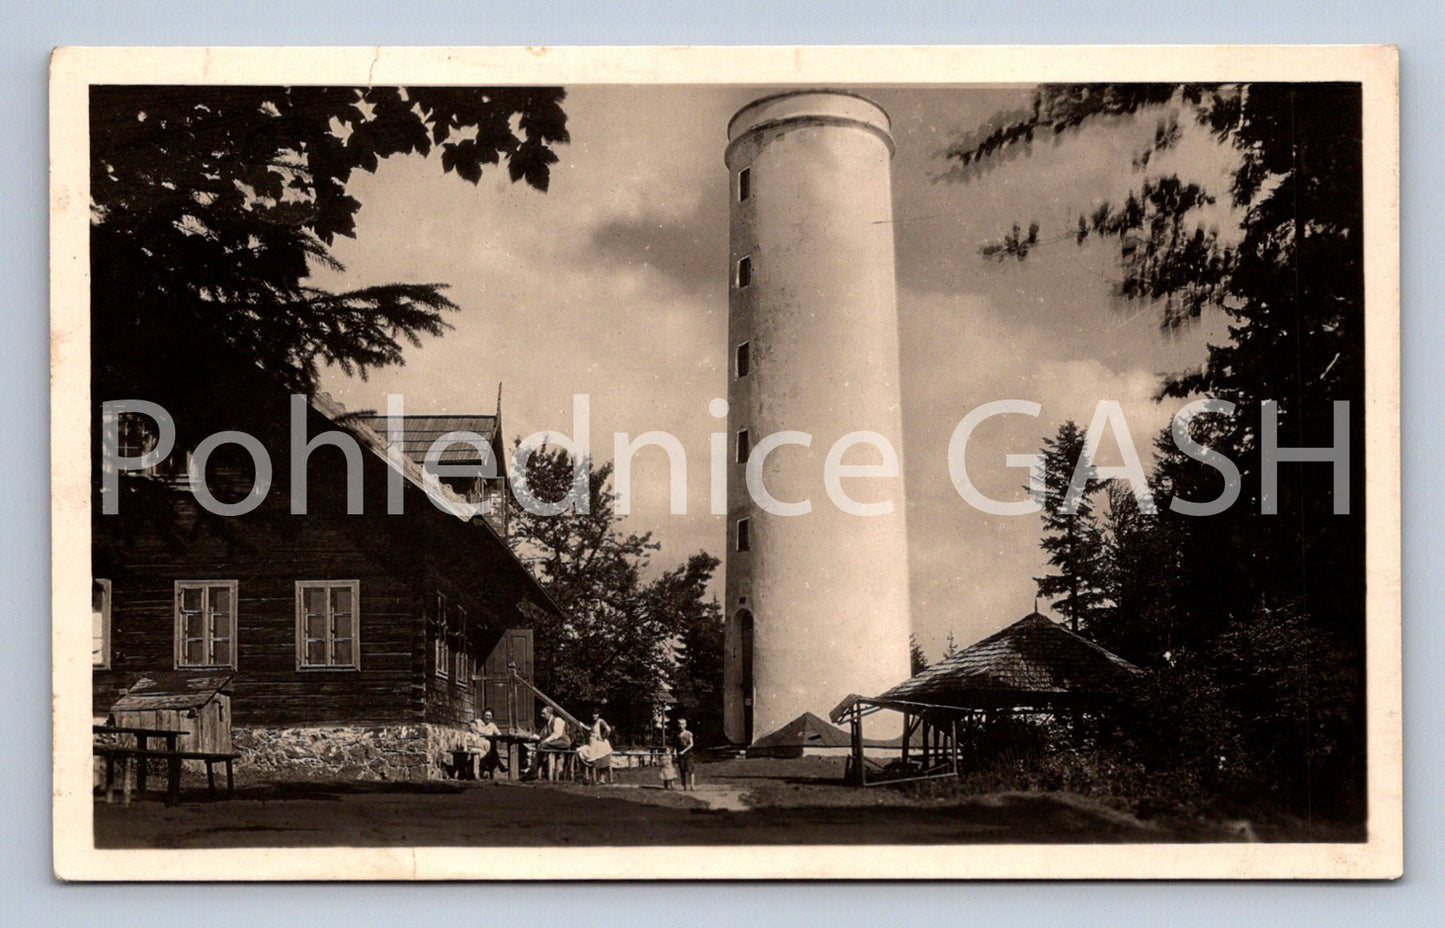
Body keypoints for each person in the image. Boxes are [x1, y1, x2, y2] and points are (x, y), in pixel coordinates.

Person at [529, 706, 571, 781]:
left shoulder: (557, 720)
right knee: (541, 746)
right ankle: (534, 770)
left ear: (550, 713)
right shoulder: (547, 724)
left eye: (544, 714)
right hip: (555, 743)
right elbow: (543, 735)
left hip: (563, 742)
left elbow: (556, 734)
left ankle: (533, 770)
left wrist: (545, 741)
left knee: (543, 745)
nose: (542, 716)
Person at [575, 708, 615, 785]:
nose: (594, 716)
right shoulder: (594, 722)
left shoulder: (601, 721)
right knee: (588, 755)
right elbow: (591, 730)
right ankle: (595, 779)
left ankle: (601, 779)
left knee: (601, 760)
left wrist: (603, 737)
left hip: (599, 744)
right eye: (593, 714)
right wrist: (583, 725)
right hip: (593, 744)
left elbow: (608, 729)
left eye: (596, 714)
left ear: (598, 714)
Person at [470, 709, 505, 778]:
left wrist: (499, 734)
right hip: (478, 743)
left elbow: (498, 733)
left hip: (488, 745)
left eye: (489, 716)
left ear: (491, 717)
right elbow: (471, 729)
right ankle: (500, 766)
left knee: (492, 749)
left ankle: (494, 768)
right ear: (483, 716)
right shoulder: (478, 722)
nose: (487, 717)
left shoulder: (492, 725)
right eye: (486, 715)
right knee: (491, 749)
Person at [675, 717, 696, 791]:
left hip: (688, 754)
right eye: (680, 724)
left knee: (690, 770)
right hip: (680, 754)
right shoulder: (677, 735)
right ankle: (684, 786)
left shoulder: (689, 733)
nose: (681, 726)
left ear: (685, 725)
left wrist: (684, 751)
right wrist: (675, 752)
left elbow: (691, 744)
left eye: (683, 724)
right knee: (682, 770)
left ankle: (692, 786)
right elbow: (676, 745)